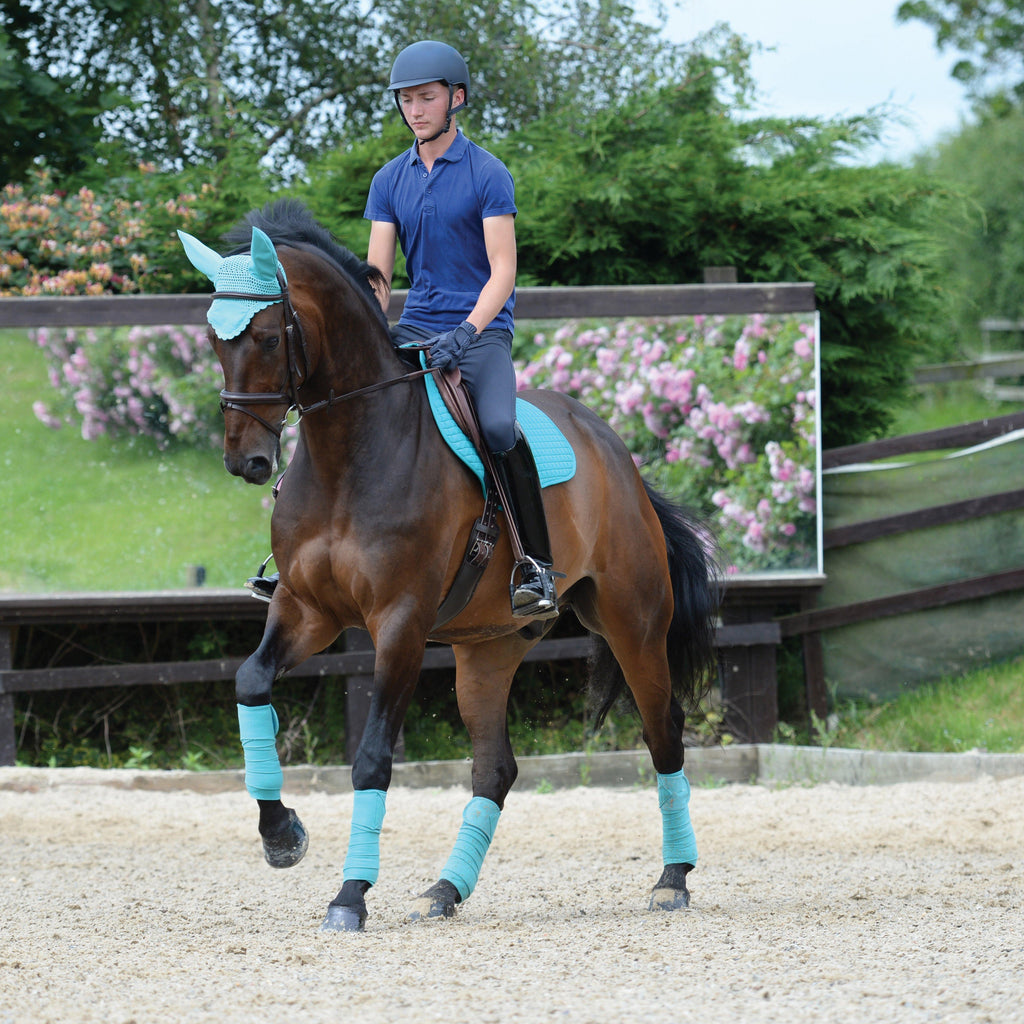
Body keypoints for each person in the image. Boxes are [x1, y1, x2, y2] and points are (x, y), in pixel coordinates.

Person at [365, 39, 559, 619]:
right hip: (416, 327)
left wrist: (469, 333)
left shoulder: (488, 173)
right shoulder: (389, 179)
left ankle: (536, 567)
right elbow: (379, 275)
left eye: (426, 98)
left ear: (457, 98)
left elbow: (503, 271)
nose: (415, 109)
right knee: (348, 405)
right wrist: (375, 330)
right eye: (406, 100)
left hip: (481, 331)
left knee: (499, 425)